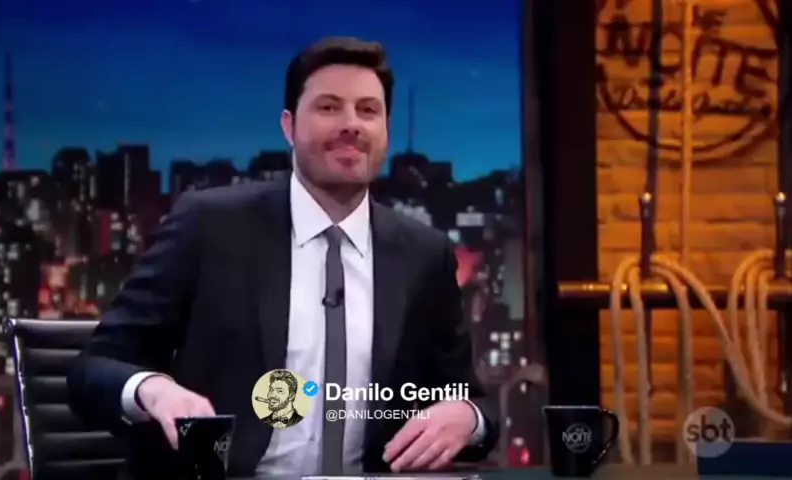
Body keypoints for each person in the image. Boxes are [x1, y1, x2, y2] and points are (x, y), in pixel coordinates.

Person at [67, 36, 498, 478]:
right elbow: (92, 370)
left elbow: (473, 400)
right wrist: (154, 390)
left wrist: (467, 417)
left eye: (368, 110)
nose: (351, 124)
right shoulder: (208, 225)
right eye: (329, 107)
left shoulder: (424, 254)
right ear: (289, 126)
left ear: (385, 131)